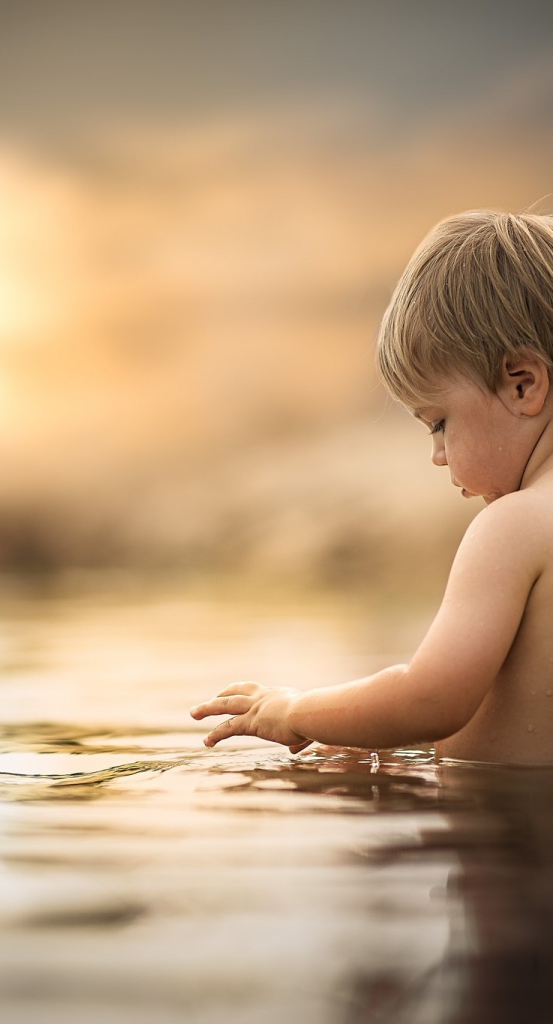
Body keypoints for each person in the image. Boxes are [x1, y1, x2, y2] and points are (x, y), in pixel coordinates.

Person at [191, 210, 553, 764]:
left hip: (507, 831)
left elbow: (431, 698)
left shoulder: (513, 526)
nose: (437, 456)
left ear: (523, 385)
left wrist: (293, 710)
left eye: (438, 423)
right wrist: (367, 730)